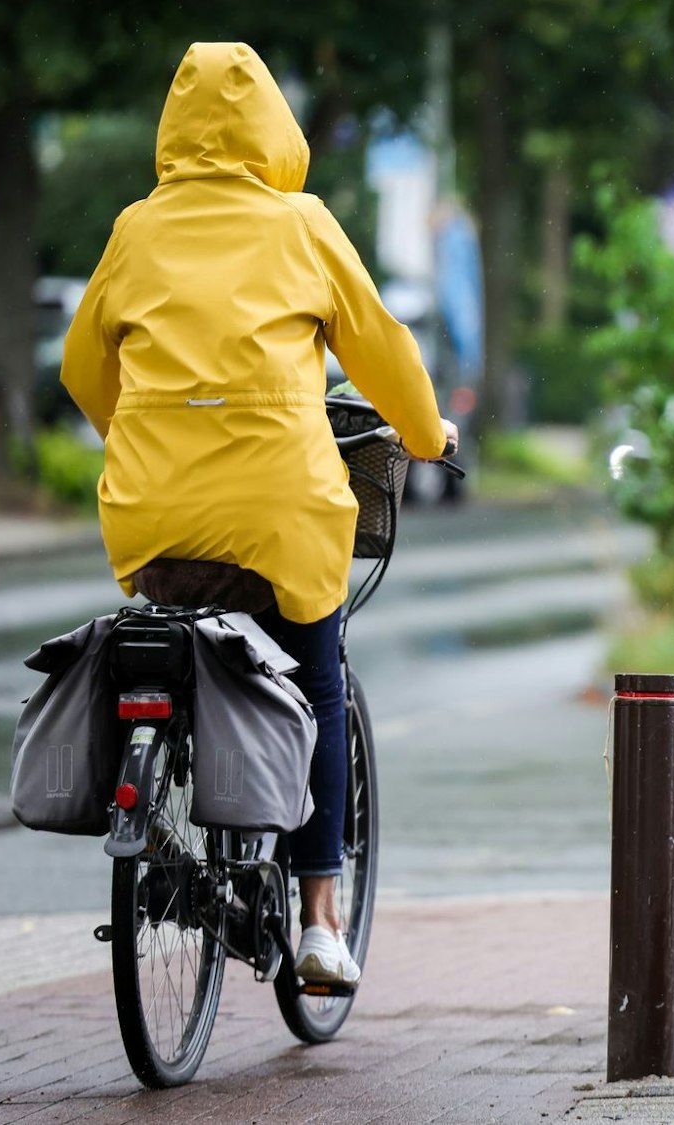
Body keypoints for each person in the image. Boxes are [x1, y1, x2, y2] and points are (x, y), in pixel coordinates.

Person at [59, 42, 456, 986]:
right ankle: (321, 920)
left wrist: (138, 431)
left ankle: (157, 808)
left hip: (152, 514)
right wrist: (429, 434)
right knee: (317, 681)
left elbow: (81, 367)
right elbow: (379, 346)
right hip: (280, 521)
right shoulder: (303, 225)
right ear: (273, 128)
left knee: (163, 637)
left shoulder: (136, 229)